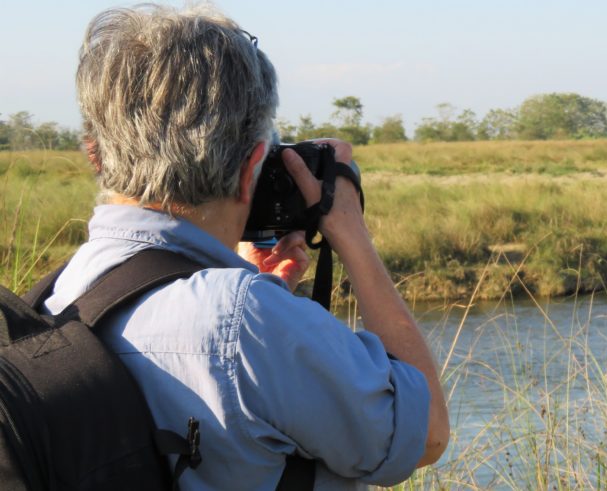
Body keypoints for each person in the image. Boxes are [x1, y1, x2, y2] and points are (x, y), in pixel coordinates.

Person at [43, 4, 448, 489]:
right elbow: (426, 436)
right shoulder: (245, 320)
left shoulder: (58, 295)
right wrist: (350, 232)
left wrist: (244, 284)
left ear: (96, 155)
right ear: (252, 164)